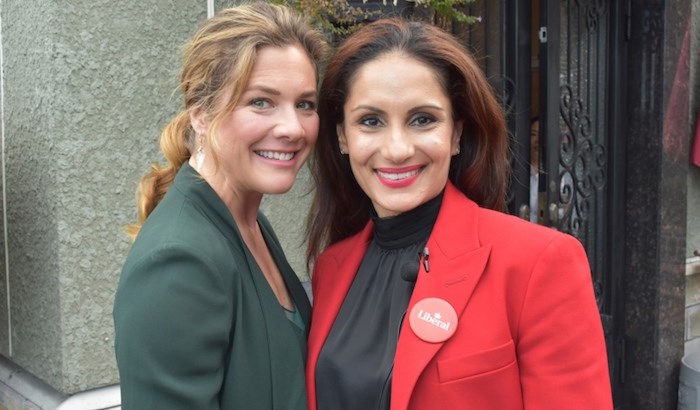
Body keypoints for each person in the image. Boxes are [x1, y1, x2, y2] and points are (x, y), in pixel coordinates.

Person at [304, 18, 612, 410]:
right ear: (343, 137)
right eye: (370, 121)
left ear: (456, 135)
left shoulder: (538, 262)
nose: (397, 148)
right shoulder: (331, 267)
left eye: (422, 119)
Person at [113, 3, 328, 409]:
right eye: (261, 102)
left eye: (305, 104)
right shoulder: (178, 261)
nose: (293, 128)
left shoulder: (250, 223)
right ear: (201, 114)